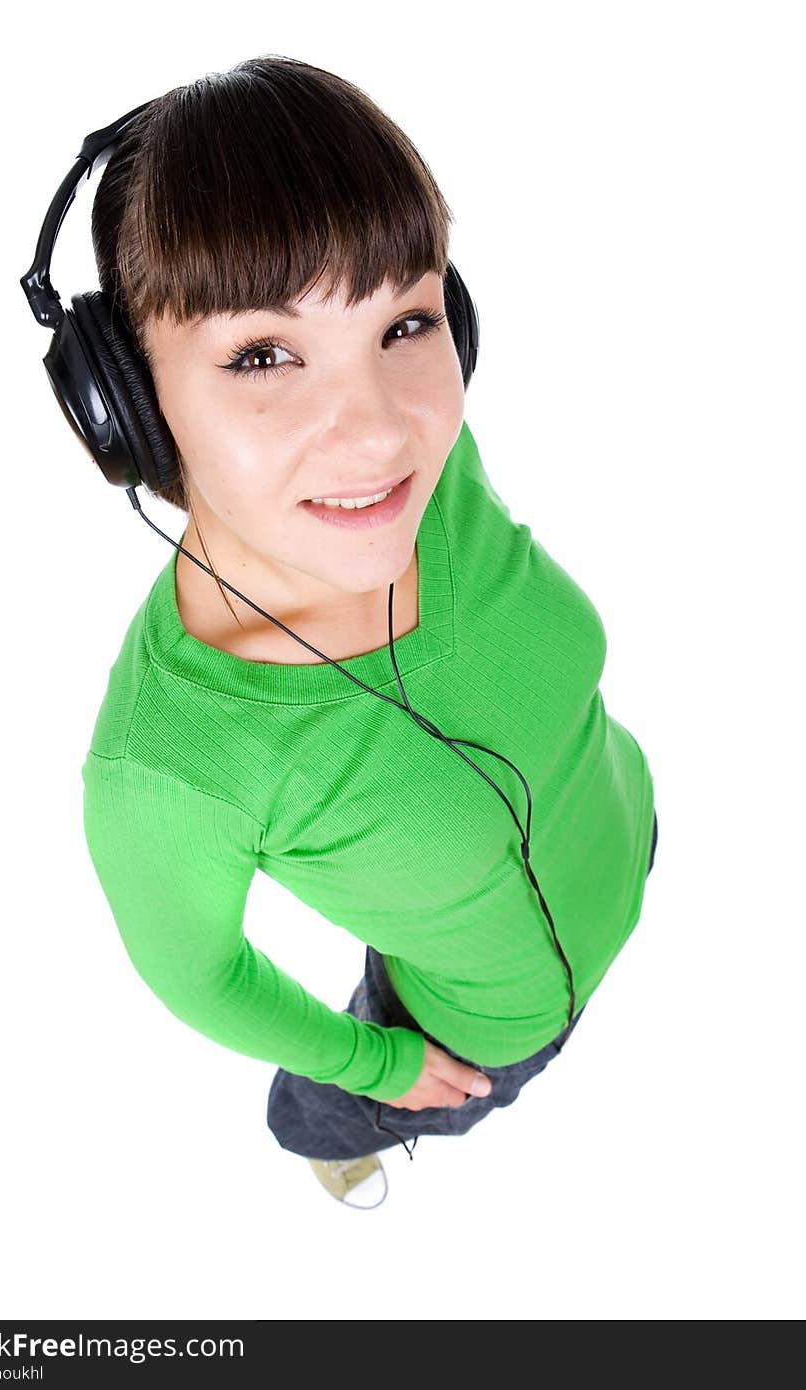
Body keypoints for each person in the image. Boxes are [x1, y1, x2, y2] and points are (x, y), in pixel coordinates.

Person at [81, 55, 658, 1210]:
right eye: (261, 355)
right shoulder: (167, 767)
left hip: (623, 848)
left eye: (404, 321)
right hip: (473, 1039)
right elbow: (199, 975)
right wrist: (378, 1064)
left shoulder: (436, 472)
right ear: (127, 408)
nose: (377, 431)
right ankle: (321, 1140)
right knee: (322, 1111)